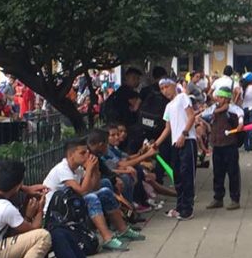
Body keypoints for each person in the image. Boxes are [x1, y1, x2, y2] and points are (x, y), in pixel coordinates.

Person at [42, 139, 136, 249]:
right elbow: (82, 191)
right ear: (71, 155)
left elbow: (94, 187)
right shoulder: (62, 169)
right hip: (57, 212)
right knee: (91, 198)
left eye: (87, 152)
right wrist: (89, 169)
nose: (87, 155)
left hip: (70, 203)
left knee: (105, 191)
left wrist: (95, 170)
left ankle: (123, 230)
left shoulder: (77, 169)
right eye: (82, 153)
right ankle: (107, 238)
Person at [154, 78, 197, 220]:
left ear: (173, 86)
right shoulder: (168, 106)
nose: (165, 91)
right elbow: (168, 128)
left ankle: (188, 208)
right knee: (177, 176)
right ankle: (180, 206)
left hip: (187, 141)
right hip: (175, 143)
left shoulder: (182, 98)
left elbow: (191, 117)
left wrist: (184, 134)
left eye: (166, 87)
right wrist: (156, 144)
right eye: (162, 88)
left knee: (187, 175)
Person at [204, 91, 243, 210]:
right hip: (217, 145)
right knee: (217, 173)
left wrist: (240, 123)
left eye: (221, 97)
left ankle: (235, 199)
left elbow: (240, 114)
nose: (218, 99)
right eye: (218, 97)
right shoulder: (213, 108)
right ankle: (218, 198)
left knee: (233, 173)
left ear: (227, 99)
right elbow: (204, 114)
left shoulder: (232, 109)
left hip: (229, 145)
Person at [102, 67, 144, 153]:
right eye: (134, 78)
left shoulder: (119, 91)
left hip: (116, 123)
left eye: (138, 79)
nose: (137, 81)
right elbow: (136, 107)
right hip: (125, 125)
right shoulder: (128, 92)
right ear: (127, 78)